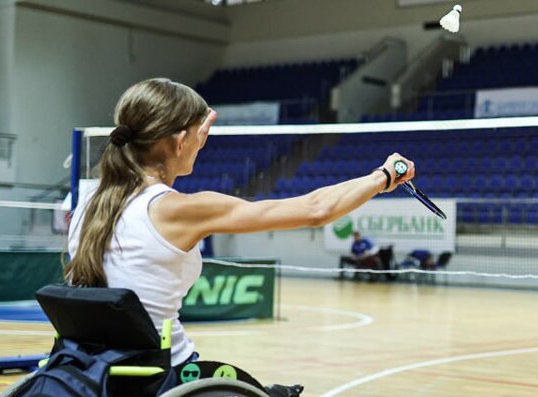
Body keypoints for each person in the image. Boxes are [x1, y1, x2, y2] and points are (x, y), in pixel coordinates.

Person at [66, 77, 414, 368]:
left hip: (88, 364)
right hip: (158, 373)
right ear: (179, 141)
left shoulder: (89, 202)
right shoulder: (179, 209)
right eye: (198, 133)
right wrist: (383, 176)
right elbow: (316, 209)